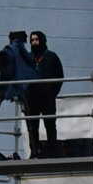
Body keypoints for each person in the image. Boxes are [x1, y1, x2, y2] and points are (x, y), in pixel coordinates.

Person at [22, 29, 63, 157]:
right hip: (31, 99)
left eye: (36, 39)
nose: (34, 42)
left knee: (50, 125)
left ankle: (52, 151)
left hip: (47, 99)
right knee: (32, 127)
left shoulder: (51, 57)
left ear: (42, 40)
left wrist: (52, 93)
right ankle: (34, 151)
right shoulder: (28, 58)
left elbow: (60, 77)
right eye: (32, 40)